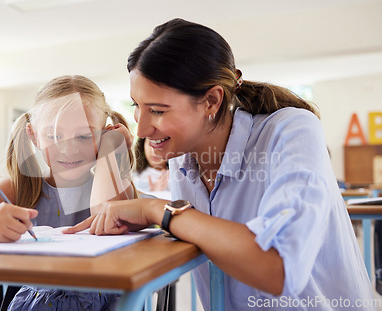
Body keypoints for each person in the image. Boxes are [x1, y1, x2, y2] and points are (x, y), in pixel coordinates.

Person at [64, 19, 374, 310]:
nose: (142, 129)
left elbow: (279, 267)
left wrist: (159, 210)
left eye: (157, 110)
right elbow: (107, 221)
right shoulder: (184, 157)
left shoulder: (292, 129)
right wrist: (110, 152)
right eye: (137, 106)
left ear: (212, 101)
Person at [0, 75, 136, 311]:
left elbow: (107, 213)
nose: (68, 148)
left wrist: (110, 149)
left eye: (84, 136)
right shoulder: (23, 188)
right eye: (54, 136)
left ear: (103, 134)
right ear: (33, 136)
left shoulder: (118, 187)